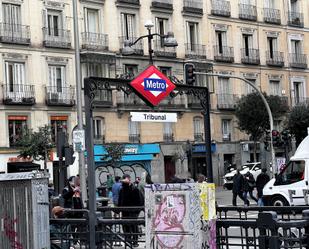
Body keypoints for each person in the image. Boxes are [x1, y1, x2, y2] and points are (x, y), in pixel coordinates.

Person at [118, 174, 143, 247]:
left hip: (132, 212)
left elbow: (139, 201)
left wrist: (136, 211)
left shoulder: (134, 189)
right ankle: (129, 240)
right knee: (127, 227)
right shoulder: (122, 190)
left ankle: (134, 241)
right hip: (125, 212)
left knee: (133, 226)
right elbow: (120, 201)